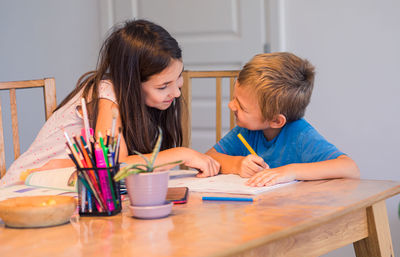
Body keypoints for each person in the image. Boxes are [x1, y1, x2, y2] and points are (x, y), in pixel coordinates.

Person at [1, 19, 220, 187]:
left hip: (64, 189)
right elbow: (115, 169)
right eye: (162, 87)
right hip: (26, 188)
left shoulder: (139, 101)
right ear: (132, 83)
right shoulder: (107, 95)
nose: (176, 92)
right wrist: (182, 153)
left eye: (179, 76)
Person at [206, 52, 359, 187]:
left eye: (242, 107)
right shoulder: (246, 131)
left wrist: (290, 171)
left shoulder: (299, 135)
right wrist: (237, 165)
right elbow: (208, 158)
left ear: (276, 121)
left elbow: (350, 168)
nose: (230, 105)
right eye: (234, 98)